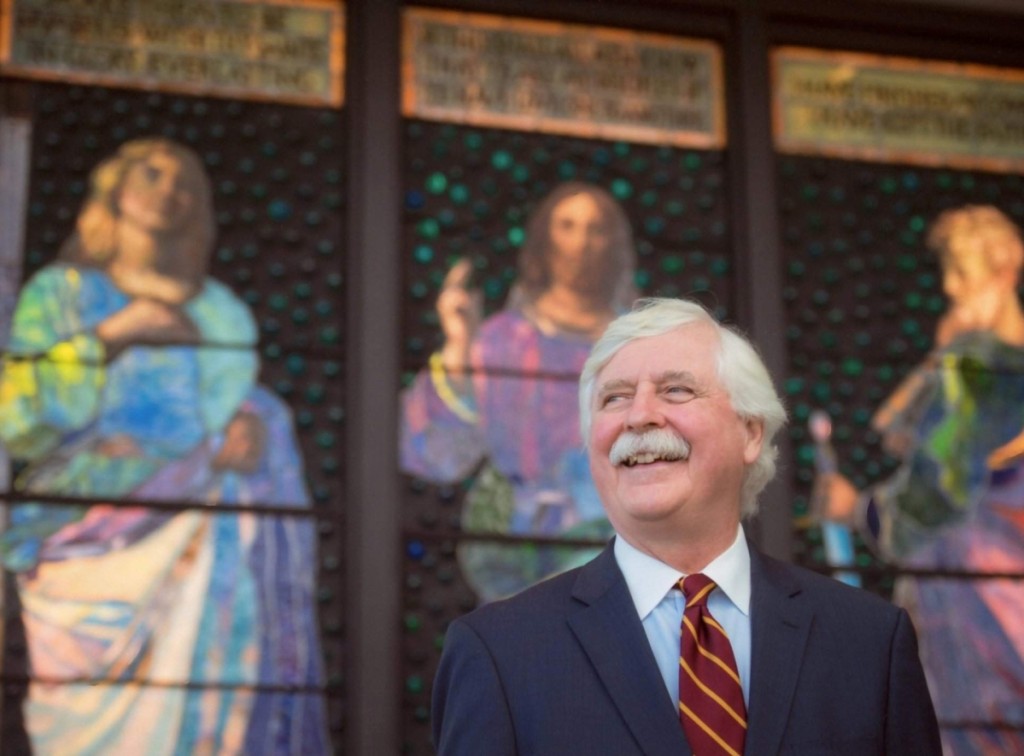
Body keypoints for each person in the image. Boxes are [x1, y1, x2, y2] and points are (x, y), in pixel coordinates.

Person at [433, 296, 941, 755]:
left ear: (749, 432)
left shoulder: (869, 642)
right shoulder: (499, 654)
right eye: (614, 398)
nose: (639, 417)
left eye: (676, 390)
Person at [0, 138, 329, 753]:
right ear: (116, 192)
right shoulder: (61, 292)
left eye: (185, 183)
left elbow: (233, 410)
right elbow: (15, 416)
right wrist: (113, 336)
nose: (168, 191)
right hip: (83, 545)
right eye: (151, 174)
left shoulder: (221, 311)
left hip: (200, 537)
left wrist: (251, 429)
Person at [821, 205, 1024, 755]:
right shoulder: (972, 366)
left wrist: (854, 509)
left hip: (976, 604)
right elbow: (895, 431)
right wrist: (939, 356)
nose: (949, 287)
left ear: (1006, 271)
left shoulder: (979, 367)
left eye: (962, 271)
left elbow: (930, 495)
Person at [400, 181, 636, 600]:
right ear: (545, 239)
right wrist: (460, 345)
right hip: (509, 554)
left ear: (613, 244)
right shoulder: (500, 339)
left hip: (617, 546)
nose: (581, 243)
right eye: (567, 226)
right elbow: (436, 457)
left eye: (595, 229)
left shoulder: (639, 347)